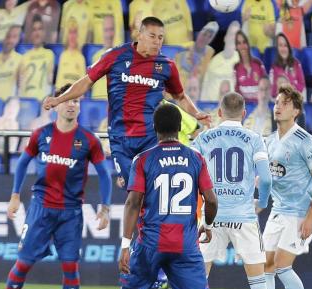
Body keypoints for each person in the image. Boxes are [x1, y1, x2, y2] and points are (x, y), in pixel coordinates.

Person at [0, 83, 112, 289]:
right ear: (57, 104)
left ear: (79, 106)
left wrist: (105, 207)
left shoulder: (88, 140)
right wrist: (14, 197)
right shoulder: (41, 135)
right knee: (23, 264)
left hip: (71, 214)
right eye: (67, 100)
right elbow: (21, 164)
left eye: (76, 101)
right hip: (41, 211)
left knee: (70, 267)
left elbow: (105, 175)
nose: (72, 104)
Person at [115, 103, 232, 289]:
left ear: (154, 128)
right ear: (180, 128)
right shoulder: (195, 158)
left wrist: (125, 244)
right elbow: (212, 201)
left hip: (151, 243)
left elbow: (133, 202)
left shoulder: (143, 160)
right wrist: (208, 226)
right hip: (185, 244)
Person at [43, 16, 210, 189]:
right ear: (140, 35)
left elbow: (180, 96)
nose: (157, 42)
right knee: (133, 190)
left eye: (160, 37)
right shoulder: (115, 56)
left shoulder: (166, 65)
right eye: (152, 36)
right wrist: (59, 99)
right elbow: (86, 82)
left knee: (152, 189)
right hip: (120, 138)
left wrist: (196, 113)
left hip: (150, 138)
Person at [173, 92, 275, 289]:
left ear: (219, 113)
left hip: (210, 217)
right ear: (244, 113)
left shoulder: (203, 139)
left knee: (195, 281)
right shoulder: (255, 139)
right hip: (243, 217)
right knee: (257, 282)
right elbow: (265, 179)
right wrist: (261, 202)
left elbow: (187, 173)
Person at [239, 84, 312, 289]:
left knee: (281, 265)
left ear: (296, 110)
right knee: (265, 266)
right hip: (279, 210)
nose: (278, 106)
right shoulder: (269, 140)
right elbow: (266, 175)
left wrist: (311, 216)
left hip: (300, 213)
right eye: (277, 102)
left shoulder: (305, 141)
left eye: (284, 103)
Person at [200, 21, 240, 102]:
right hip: (212, 107)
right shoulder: (214, 62)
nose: (233, 38)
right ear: (225, 38)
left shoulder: (241, 61)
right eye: (232, 34)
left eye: (237, 36)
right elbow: (205, 85)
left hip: (233, 108)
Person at [18, 15, 54, 100]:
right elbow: (21, 84)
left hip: (43, 101)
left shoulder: (49, 54)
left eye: (40, 29)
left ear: (44, 33)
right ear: (31, 34)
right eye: (34, 30)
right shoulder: (24, 56)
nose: (37, 33)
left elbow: (50, 81)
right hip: (26, 100)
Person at [175, 21, 218, 86]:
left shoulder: (210, 54)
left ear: (211, 40)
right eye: (204, 34)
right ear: (199, 33)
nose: (205, 38)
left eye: (209, 37)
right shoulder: (183, 50)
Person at [234, 30, 268, 103]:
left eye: (244, 42)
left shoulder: (258, 64)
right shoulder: (235, 68)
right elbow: (236, 92)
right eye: (239, 43)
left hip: (260, 105)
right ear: (236, 47)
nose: (242, 46)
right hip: (244, 108)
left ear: (248, 44)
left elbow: (266, 85)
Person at [269, 33, 306, 100]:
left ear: (289, 47)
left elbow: (302, 86)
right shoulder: (274, 67)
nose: (283, 49)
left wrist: (289, 86)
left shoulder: (296, 64)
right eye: (280, 45)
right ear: (277, 48)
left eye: (285, 45)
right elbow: (272, 92)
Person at [90, 15, 116, 100]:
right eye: (106, 30)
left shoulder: (122, 55)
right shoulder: (95, 57)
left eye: (111, 29)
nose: (108, 34)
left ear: (115, 31)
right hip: (97, 103)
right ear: (102, 32)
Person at [54, 22, 86, 91]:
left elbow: (83, 85)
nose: (72, 36)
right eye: (70, 32)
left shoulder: (81, 58)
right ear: (67, 35)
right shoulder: (63, 55)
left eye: (74, 32)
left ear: (77, 35)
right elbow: (58, 83)